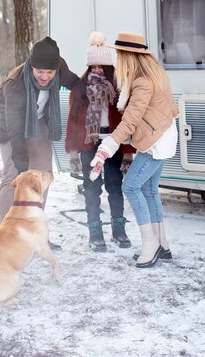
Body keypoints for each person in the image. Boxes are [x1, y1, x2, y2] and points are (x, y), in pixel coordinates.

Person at [90, 32, 178, 268]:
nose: (117, 59)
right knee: (149, 189)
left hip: (155, 142)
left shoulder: (142, 82)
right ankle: (163, 245)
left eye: (119, 54)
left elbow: (130, 120)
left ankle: (150, 245)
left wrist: (108, 146)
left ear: (129, 56)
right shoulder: (152, 73)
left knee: (130, 186)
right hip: (161, 136)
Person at [0, 36, 79, 249]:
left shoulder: (59, 68)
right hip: (9, 122)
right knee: (14, 176)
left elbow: (76, 83)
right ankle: (7, 236)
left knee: (43, 177)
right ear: (31, 65)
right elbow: (14, 127)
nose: (45, 77)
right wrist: (21, 162)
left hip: (37, 120)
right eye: (40, 71)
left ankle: (35, 232)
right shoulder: (16, 84)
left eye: (49, 73)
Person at [65, 32, 134, 252]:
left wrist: (128, 152)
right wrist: (73, 151)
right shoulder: (79, 89)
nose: (97, 70)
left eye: (101, 66)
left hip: (112, 142)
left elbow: (125, 120)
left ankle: (119, 230)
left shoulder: (118, 89)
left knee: (115, 186)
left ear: (109, 68)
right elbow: (73, 119)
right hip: (89, 144)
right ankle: (95, 234)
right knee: (92, 188)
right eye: (93, 66)